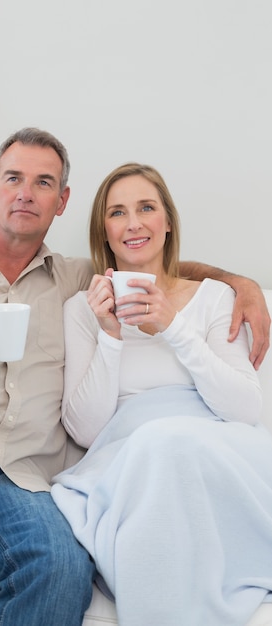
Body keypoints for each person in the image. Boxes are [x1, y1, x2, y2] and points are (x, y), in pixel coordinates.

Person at [0, 131, 269, 626]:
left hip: (16, 473)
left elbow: (146, 255)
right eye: (14, 179)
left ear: (62, 201)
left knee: (61, 569)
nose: (26, 193)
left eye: (43, 182)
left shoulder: (79, 281)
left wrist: (240, 284)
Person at [51, 162, 272, 626]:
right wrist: (110, 335)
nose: (133, 223)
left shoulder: (214, 298)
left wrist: (173, 327)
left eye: (146, 208)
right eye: (118, 213)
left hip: (218, 449)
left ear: (167, 222)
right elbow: (87, 431)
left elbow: (245, 408)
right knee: (160, 443)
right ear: (105, 233)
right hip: (132, 460)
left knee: (169, 441)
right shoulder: (83, 309)